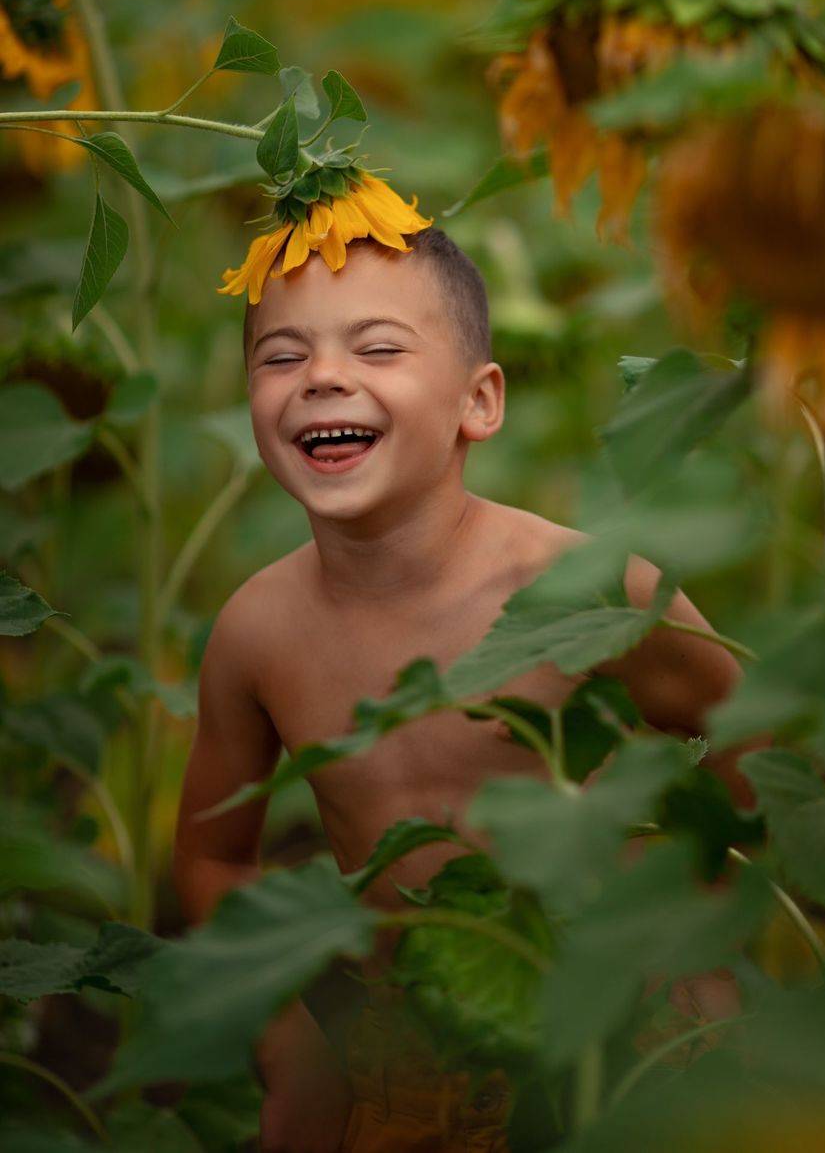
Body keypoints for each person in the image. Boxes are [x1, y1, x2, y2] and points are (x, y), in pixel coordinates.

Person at [173, 170, 752, 1153]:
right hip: (412, 1047)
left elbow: (759, 750)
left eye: (378, 348)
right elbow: (211, 851)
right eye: (281, 356)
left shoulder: (585, 589)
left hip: (627, 1016)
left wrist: (699, 942)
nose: (321, 375)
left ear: (479, 402)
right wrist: (292, 1050)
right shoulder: (258, 632)